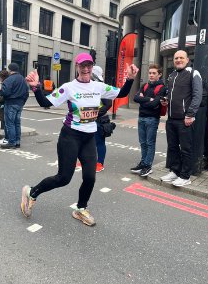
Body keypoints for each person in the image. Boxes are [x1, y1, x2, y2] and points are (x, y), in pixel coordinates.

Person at [20, 54, 138, 226]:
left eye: (89, 66)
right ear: (77, 67)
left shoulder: (98, 86)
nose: (85, 69)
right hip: (70, 136)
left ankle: (81, 209)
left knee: (90, 177)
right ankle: (32, 192)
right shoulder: (69, 87)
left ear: (92, 67)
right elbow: (45, 102)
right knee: (63, 178)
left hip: (89, 138)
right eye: (82, 66)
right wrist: (36, 87)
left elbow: (122, 93)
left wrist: (130, 79)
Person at [161, 48, 202, 186]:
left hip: (185, 119)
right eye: (176, 58)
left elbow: (197, 95)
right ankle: (175, 171)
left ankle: (185, 177)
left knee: (186, 149)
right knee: (172, 147)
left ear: (187, 60)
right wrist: (166, 99)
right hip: (171, 118)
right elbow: (172, 94)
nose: (178, 60)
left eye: (181, 58)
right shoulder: (172, 75)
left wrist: (190, 114)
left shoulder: (193, 73)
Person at [131, 63, 166, 177]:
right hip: (141, 117)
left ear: (159, 75)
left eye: (154, 73)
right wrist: (148, 99)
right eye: (150, 73)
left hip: (152, 119)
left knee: (150, 143)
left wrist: (143, 100)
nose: (151, 75)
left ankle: (148, 166)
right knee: (143, 143)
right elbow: (135, 98)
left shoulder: (162, 88)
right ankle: (143, 163)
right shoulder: (144, 85)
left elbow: (154, 104)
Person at [0, 63, 29, 149]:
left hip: (11, 103)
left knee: (10, 124)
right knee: (17, 123)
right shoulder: (23, 79)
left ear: (10, 70)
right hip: (20, 103)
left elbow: (5, 92)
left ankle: (11, 142)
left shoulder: (9, 80)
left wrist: (1, 92)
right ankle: (17, 142)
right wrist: (22, 102)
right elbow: (26, 93)